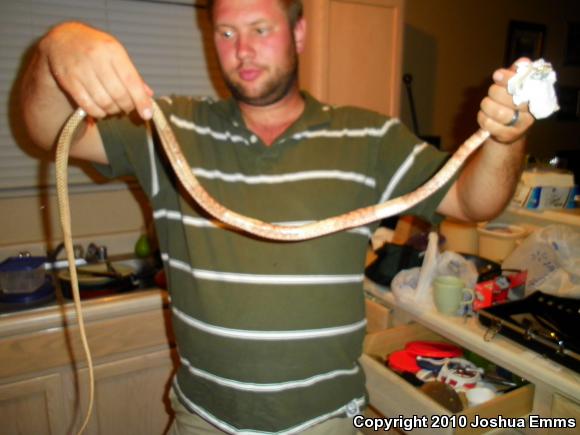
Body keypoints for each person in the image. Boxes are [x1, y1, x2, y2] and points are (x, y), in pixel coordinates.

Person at [18, 0, 534, 433]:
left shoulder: (369, 140)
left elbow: (475, 202)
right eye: (226, 32)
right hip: (202, 420)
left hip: (327, 421)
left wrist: (507, 139)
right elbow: (46, 131)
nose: (242, 51)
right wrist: (57, 47)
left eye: (260, 29)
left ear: (299, 32)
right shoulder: (168, 130)